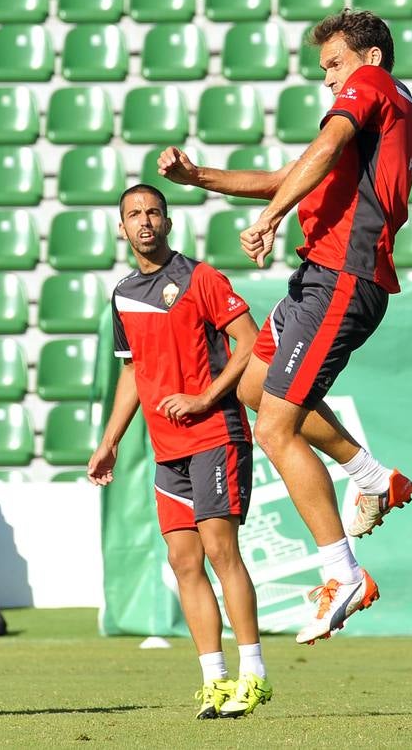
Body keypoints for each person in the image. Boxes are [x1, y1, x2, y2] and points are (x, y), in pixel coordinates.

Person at [158, 10, 412, 644]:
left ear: (371, 60)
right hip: (318, 278)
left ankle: (343, 574)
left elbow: (317, 155)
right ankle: (372, 476)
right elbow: (289, 175)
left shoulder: (376, 90)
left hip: (343, 277)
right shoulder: (360, 123)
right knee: (252, 388)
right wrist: (200, 179)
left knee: (275, 425)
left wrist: (273, 219)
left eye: (334, 64)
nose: (328, 79)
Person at [87, 184, 271, 719]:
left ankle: (253, 673)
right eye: (133, 215)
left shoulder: (200, 277)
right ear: (121, 229)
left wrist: (205, 397)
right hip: (168, 448)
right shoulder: (122, 293)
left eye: (152, 212)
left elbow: (251, 340)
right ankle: (215, 681)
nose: (144, 221)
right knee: (182, 560)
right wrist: (109, 442)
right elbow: (132, 370)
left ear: (167, 222)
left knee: (220, 551)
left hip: (215, 433)